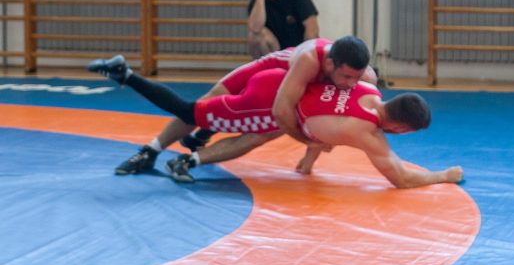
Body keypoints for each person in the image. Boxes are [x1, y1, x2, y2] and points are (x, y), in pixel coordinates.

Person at [87, 59, 463, 189]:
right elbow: (401, 178)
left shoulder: (366, 85)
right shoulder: (369, 135)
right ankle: (127, 76)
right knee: (191, 111)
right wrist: (443, 176)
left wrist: (309, 161)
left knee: (214, 114)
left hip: (279, 76)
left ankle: (195, 141)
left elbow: (328, 124)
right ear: (400, 128)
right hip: (270, 102)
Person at [94, 36, 377, 175]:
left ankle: (198, 139)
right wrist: (308, 142)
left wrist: (310, 156)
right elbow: (282, 112)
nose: (351, 84)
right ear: (330, 64)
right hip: (276, 73)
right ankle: (151, 151)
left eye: (357, 78)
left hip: (286, 89)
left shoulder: (363, 79)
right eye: (346, 77)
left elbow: (329, 118)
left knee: (242, 128)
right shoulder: (309, 62)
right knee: (207, 104)